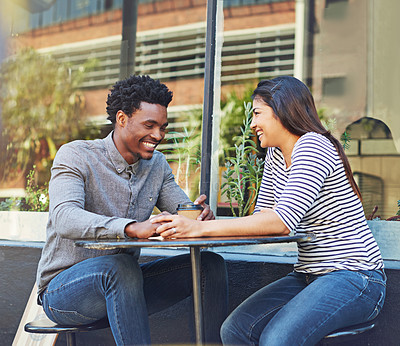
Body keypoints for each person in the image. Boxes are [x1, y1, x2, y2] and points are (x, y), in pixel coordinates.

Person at [152, 76, 386, 345]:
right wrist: (203, 225)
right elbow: (264, 218)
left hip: (356, 276)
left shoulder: (313, 145)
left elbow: (281, 222)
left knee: (276, 340)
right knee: (235, 329)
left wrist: (201, 228)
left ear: (282, 110)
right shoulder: (276, 154)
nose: (252, 124)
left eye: (257, 113)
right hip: (308, 275)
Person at [36, 75, 228, 345]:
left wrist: (198, 218)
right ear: (122, 119)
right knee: (120, 267)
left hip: (125, 286)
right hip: (64, 292)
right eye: (149, 125)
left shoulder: (157, 165)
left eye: (163, 127)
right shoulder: (76, 155)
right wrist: (129, 228)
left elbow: (180, 212)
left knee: (210, 266)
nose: (158, 135)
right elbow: (65, 218)